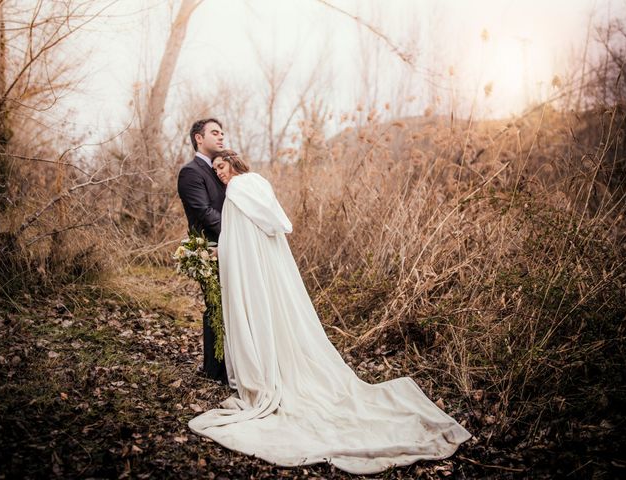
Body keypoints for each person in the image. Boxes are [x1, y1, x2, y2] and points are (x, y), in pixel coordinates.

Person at [189, 150, 472, 475]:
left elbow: (241, 236)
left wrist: (226, 257)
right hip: (270, 267)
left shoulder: (238, 188)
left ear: (233, 163)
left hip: (255, 267)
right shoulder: (258, 183)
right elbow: (267, 227)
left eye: (221, 166)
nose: (219, 173)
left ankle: (271, 371)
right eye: (216, 170)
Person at [177, 118, 228, 384]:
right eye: (215, 133)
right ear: (199, 138)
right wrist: (236, 236)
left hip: (230, 249)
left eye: (222, 133)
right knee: (216, 308)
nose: (221, 137)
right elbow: (204, 213)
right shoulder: (191, 172)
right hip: (210, 249)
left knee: (233, 306)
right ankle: (215, 370)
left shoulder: (221, 169)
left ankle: (232, 364)